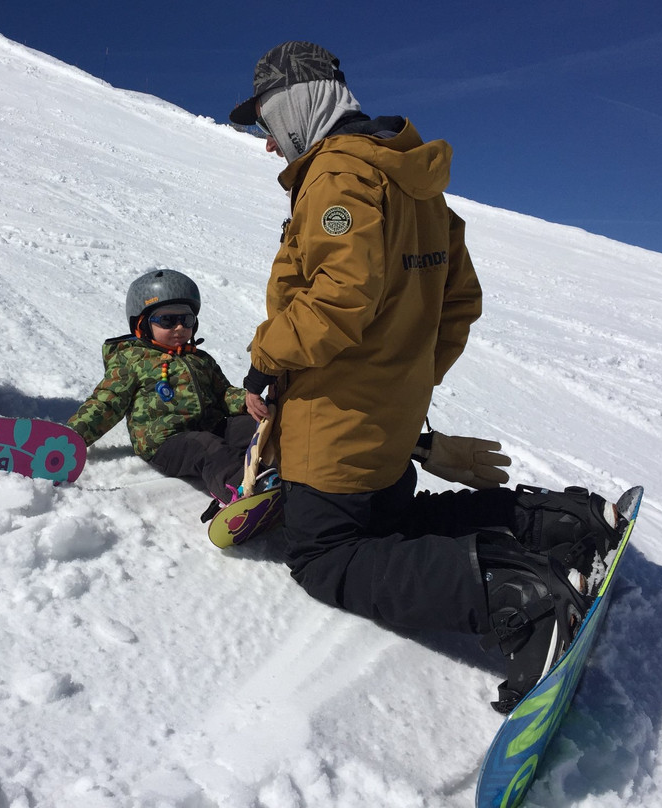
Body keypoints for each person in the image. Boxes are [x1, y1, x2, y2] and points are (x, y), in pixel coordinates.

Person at [230, 41, 627, 712]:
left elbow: (338, 295)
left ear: (295, 105)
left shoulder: (337, 178)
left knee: (328, 557)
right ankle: (557, 522)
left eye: (269, 123)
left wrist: (266, 357)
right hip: (385, 420)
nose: (270, 146)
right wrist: (406, 375)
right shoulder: (414, 183)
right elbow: (459, 302)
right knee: (393, 524)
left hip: (333, 427)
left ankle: (518, 599)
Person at [67, 269, 265, 504]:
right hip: (167, 441)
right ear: (142, 324)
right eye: (168, 320)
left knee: (257, 426)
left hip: (212, 426)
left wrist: (246, 401)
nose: (180, 328)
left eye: (186, 320)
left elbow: (223, 393)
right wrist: (71, 437)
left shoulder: (201, 359)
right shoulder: (133, 360)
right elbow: (107, 401)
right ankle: (244, 492)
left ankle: (282, 474)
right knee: (208, 448)